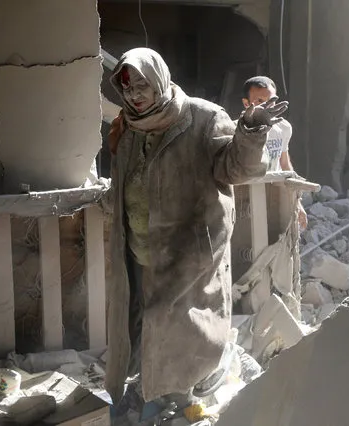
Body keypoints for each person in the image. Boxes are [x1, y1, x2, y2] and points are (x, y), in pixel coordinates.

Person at [103, 48, 288, 410]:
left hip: (189, 248)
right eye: (127, 89)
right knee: (142, 321)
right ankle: (151, 390)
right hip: (140, 247)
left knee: (184, 326)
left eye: (142, 85)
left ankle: (181, 396)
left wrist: (251, 131)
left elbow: (237, 170)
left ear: (159, 78)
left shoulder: (202, 118)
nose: (135, 95)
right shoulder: (128, 125)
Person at [241, 76, 308, 230]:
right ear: (246, 103)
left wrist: (296, 203)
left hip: (275, 197)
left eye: (271, 100)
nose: (266, 105)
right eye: (259, 101)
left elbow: (284, 163)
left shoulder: (283, 128)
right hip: (247, 200)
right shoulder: (239, 130)